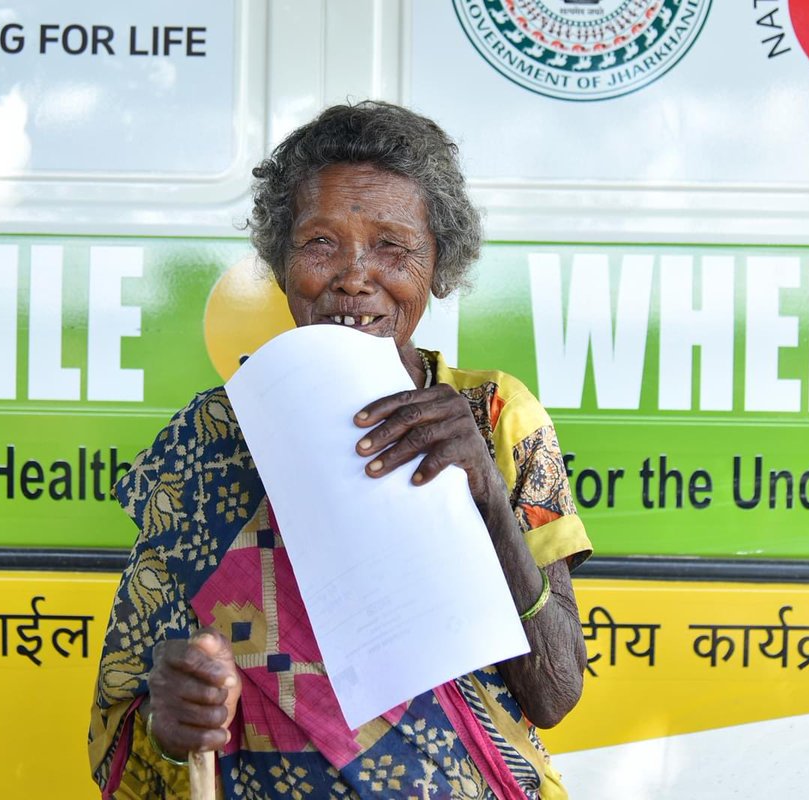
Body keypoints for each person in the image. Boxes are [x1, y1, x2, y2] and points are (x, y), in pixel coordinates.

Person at [88, 101, 592, 799]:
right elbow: (130, 728)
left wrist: (483, 491)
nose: (355, 276)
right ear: (282, 261)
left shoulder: (496, 416)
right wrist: (174, 728)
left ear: (438, 265)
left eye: (393, 246)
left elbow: (556, 691)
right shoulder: (212, 443)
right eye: (322, 242)